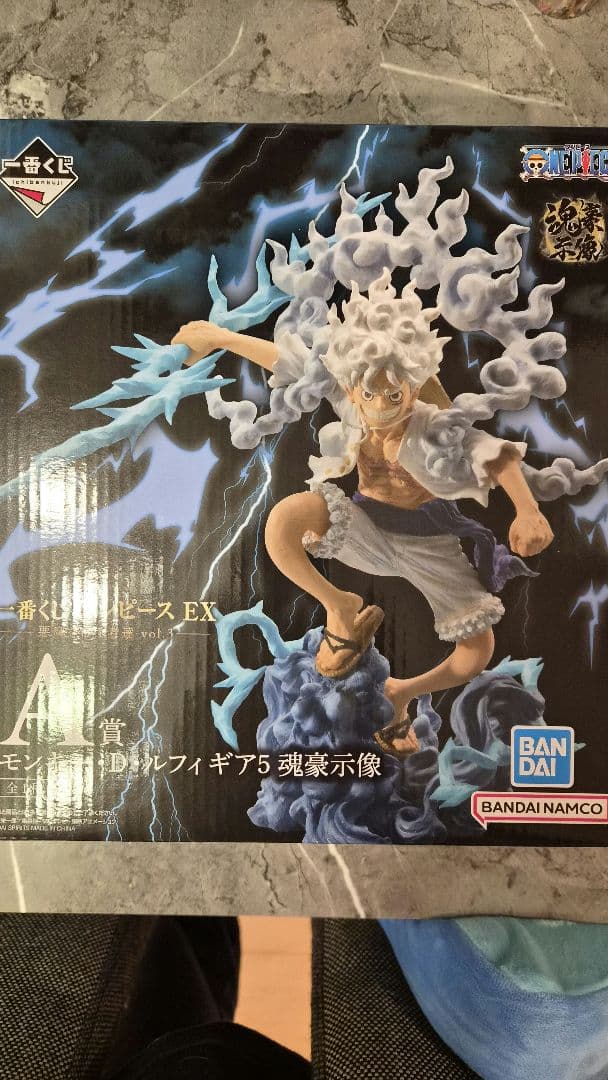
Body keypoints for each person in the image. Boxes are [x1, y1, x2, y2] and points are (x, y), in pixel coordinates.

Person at [172, 269, 553, 758]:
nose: (380, 408)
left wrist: (528, 510)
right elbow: (291, 362)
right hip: (366, 527)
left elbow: (495, 453)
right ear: (352, 388)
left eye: (394, 396)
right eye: (368, 395)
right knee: (285, 520)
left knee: (477, 651)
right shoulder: (351, 396)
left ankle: (401, 694)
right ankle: (340, 606)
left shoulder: (436, 425)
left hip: (431, 543)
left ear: (413, 386)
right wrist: (220, 337)